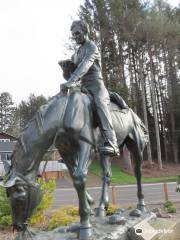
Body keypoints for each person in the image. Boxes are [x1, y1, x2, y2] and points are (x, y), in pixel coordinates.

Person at [59, 20, 119, 156]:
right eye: (73, 35)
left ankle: (112, 142)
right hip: (83, 88)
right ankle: (71, 145)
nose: (75, 37)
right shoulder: (75, 54)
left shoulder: (92, 47)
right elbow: (71, 76)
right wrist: (65, 70)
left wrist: (72, 80)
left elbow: (84, 66)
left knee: (100, 103)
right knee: (69, 106)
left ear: (86, 32)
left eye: (78, 33)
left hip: (97, 86)